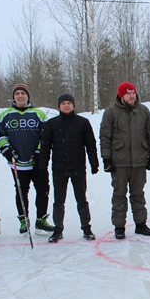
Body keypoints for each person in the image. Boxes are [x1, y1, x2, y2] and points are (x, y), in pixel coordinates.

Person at [0, 84, 55, 235]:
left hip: (37, 162)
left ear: (28, 96)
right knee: (21, 192)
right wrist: (6, 149)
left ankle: (41, 220)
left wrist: (40, 151)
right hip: (17, 163)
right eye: (17, 94)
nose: (20, 96)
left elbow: (46, 135)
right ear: (13, 97)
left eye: (23, 93)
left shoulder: (39, 114)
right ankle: (23, 220)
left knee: (42, 190)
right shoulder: (5, 115)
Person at [100, 81, 150, 239]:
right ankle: (119, 226)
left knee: (138, 194)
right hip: (120, 162)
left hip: (139, 161)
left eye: (133, 93)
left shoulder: (143, 111)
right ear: (121, 95)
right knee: (119, 195)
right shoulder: (111, 112)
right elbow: (105, 137)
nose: (132, 96)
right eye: (128, 93)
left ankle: (141, 224)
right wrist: (106, 158)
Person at [39, 93, 99, 242]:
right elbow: (45, 147)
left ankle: (86, 228)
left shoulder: (83, 123)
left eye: (69, 103)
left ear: (73, 105)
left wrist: (94, 162)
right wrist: (42, 165)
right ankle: (58, 229)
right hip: (59, 169)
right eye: (63, 103)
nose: (66, 105)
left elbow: (90, 144)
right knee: (58, 201)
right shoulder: (51, 124)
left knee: (81, 199)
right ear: (59, 106)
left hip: (78, 167)